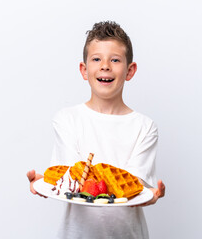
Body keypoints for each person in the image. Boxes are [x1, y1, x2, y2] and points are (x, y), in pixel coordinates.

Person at [27, 21, 165, 239]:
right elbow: (72, 180)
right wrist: (48, 181)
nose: (105, 66)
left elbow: (135, 188)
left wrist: (150, 196)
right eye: (97, 58)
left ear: (130, 71)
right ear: (84, 70)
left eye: (115, 59)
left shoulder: (144, 127)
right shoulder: (67, 120)